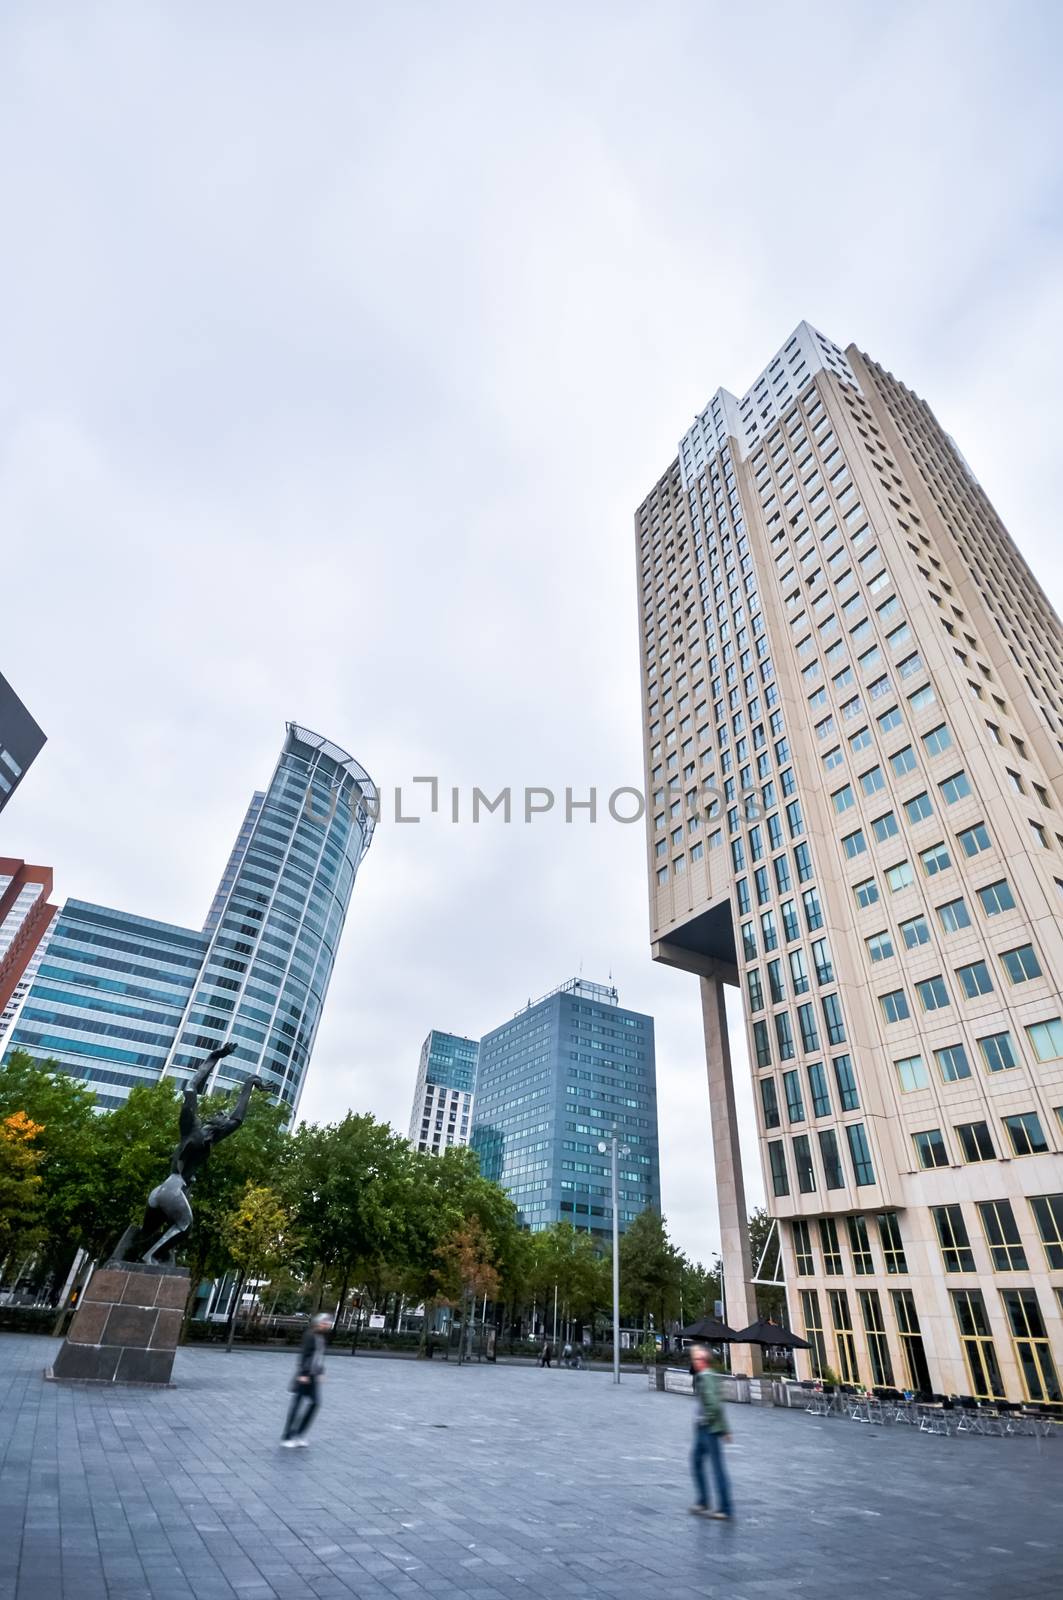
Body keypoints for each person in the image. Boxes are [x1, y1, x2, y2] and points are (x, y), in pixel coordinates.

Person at [689, 1343, 734, 1520]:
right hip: (707, 1428)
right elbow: (719, 1405)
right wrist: (726, 1429)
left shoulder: (706, 1377)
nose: (695, 1361)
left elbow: (714, 1405)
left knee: (715, 1468)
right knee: (699, 1463)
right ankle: (704, 1501)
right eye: (694, 1358)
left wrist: (706, 1419)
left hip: (708, 1429)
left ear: (705, 1360)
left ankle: (724, 1507)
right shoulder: (707, 1376)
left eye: (698, 1358)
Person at [281, 1313, 333, 1447]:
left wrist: (321, 1372)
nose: (326, 1325)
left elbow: (319, 1357)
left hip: (313, 1376)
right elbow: (305, 1355)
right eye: (324, 1323)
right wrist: (303, 1373)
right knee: (297, 1405)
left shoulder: (321, 1337)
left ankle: (299, 1434)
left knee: (315, 1403)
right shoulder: (310, 1335)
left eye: (327, 1323)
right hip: (304, 1376)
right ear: (317, 1323)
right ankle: (287, 1436)